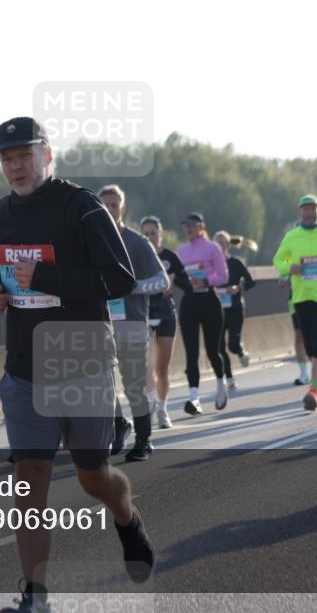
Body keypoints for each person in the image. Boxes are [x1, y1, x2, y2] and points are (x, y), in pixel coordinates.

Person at [0, 117, 155, 613]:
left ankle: (127, 517)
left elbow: (120, 279)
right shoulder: (0, 216)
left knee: (92, 478)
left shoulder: (81, 208)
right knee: (30, 477)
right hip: (23, 367)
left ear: (47, 155)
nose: (16, 166)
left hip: (82, 362)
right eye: (7, 159)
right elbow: (1, 275)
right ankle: (36, 598)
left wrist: (49, 274)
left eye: (25, 155)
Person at [98, 186, 169, 461]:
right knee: (100, 384)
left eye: (114, 205)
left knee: (133, 386)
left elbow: (162, 281)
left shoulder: (138, 243)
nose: (110, 209)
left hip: (132, 325)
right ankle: (119, 425)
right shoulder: (91, 241)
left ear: (123, 209)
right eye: (104, 205)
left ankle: (143, 440)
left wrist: (131, 287)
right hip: (100, 325)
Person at [273, 195, 317, 411]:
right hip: (302, 296)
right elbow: (278, 260)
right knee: (311, 346)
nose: (309, 212)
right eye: (305, 209)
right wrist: (289, 269)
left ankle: (312, 390)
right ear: (300, 213)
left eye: (313, 208)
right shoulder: (292, 237)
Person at [177, 213, 231, 414]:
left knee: (212, 350)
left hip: (209, 300)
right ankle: (194, 398)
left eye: (192, 225)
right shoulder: (181, 250)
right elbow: (177, 276)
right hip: (189, 302)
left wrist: (206, 280)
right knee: (191, 352)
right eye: (185, 225)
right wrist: (186, 282)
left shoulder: (212, 248)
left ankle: (220, 383)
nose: (188, 229)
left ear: (201, 227)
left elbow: (224, 276)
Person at [141, 216, 189, 429]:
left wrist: (174, 283)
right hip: (144, 311)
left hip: (166, 312)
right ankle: (150, 402)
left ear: (160, 234)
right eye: (146, 233)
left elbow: (186, 281)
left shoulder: (170, 256)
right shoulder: (138, 255)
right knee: (146, 365)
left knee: (162, 368)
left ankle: (162, 409)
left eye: (153, 232)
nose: (150, 237)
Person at [213, 231, 257, 388]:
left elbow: (251, 282)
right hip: (217, 310)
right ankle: (229, 379)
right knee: (219, 347)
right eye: (216, 243)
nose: (219, 246)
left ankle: (240, 351)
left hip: (235, 308)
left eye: (222, 243)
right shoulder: (210, 264)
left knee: (232, 344)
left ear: (228, 245)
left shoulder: (235, 263)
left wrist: (238, 287)